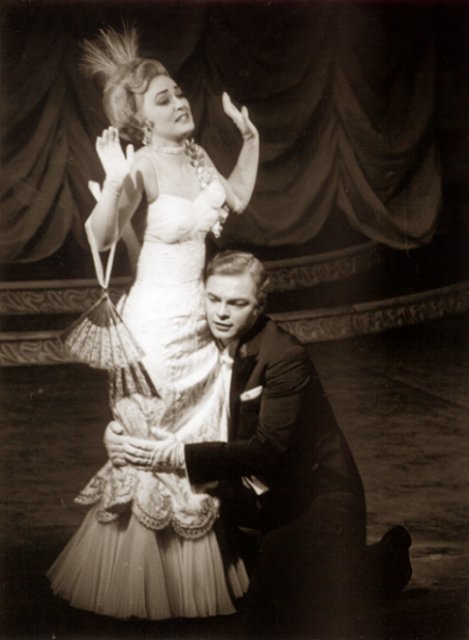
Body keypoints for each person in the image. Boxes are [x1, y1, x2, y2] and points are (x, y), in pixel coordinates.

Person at [47, 25, 259, 621]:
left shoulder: (196, 155)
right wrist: (115, 182)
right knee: (154, 441)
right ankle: (140, 581)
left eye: (179, 93)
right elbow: (100, 237)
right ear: (141, 120)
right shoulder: (140, 164)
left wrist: (250, 139)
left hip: (200, 329)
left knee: (194, 441)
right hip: (155, 328)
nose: (180, 102)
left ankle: (191, 576)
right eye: (164, 99)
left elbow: (237, 198)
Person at [104, 250, 372, 637]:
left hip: (313, 498)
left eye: (236, 303)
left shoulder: (285, 355)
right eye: (213, 299)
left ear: (259, 305)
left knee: (282, 604)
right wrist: (118, 429)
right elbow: (163, 404)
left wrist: (177, 455)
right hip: (246, 497)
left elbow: (268, 449)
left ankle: (387, 559)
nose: (221, 313)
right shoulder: (201, 342)